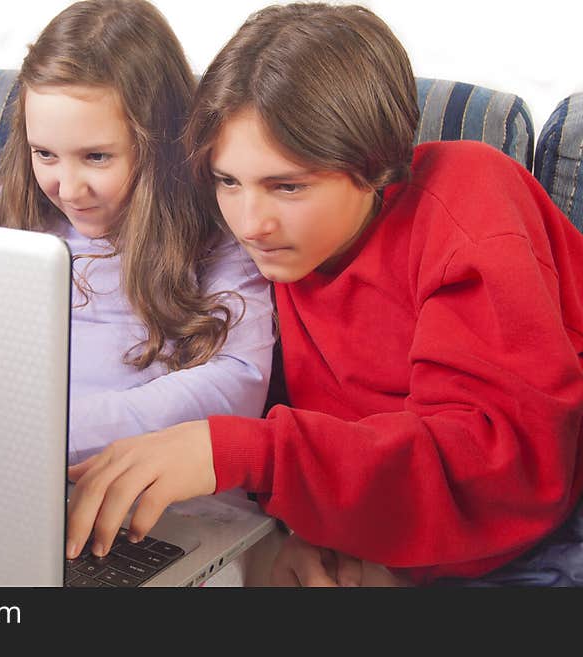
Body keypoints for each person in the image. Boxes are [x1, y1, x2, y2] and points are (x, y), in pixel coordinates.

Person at [65, 2, 583, 586]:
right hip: (375, 530)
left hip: (521, 535)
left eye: (287, 186)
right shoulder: (280, 249)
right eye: (228, 181)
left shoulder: (470, 198)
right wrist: (296, 535)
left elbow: (500, 469)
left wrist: (247, 453)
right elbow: (333, 446)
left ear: (374, 164)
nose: (249, 222)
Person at [0, 0, 275, 465]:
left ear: (159, 145)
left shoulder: (218, 235)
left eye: (97, 157)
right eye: (45, 154)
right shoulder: (14, 212)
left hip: (150, 495)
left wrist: (51, 435)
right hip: (13, 471)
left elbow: (237, 382)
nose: (68, 189)